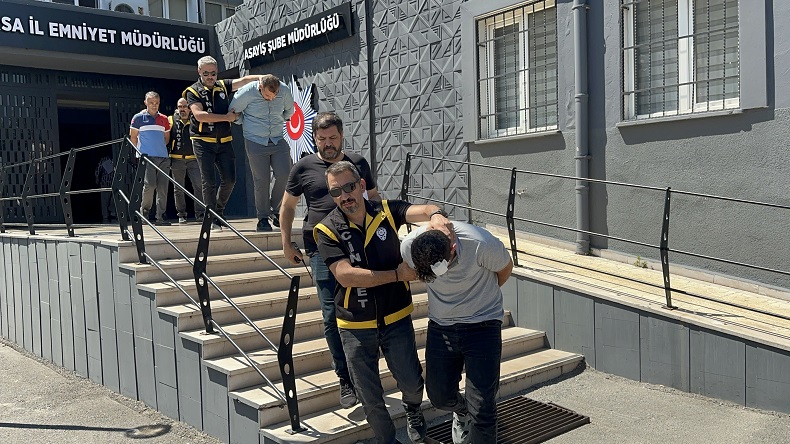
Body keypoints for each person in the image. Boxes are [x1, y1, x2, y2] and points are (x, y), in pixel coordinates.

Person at [314, 160, 451, 444]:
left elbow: (425, 209)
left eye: (349, 187)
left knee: (412, 381)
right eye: (336, 191)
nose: (344, 196)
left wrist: (437, 215)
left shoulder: (386, 211)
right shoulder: (326, 229)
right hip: (354, 323)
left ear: (362, 185)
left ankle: (413, 410)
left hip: (396, 315)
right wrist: (397, 275)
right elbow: (345, 275)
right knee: (369, 395)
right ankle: (387, 440)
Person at [279, 111, 380, 409]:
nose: (328, 144)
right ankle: (345, 378)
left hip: (358, 245)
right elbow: (287, 206)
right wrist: (286, 242)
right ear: (314, 138)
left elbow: (374, 199)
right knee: (330, 315)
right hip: (320, 249)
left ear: (342, 136)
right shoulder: (302, 168)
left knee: (366, 308)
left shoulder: (357, 164)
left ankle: (365, 370)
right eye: (322, 139)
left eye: (333, 137)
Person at [400, 221, 514, 444]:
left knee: (482, 407)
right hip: (441, 326)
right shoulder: (409, 246)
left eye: (439, 269)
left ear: (453, 248)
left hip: (483, 324)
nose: (435, 276)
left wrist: (480, 299)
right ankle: (462, 411)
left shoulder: (481, 243)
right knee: (439, 396)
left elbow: (505, 269)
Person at [183, 56, 261, 229]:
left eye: (213, 73)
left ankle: (218, 211)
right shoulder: (192, 91)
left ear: (217, 71)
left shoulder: (222, 85)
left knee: (230, 179)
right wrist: (226, 118)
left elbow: (243, 81)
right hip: (203, 141)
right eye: (206, 73)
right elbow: (199, 115)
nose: (210, 77)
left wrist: (262, 78)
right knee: (209, 181)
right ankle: (211, 218)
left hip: (224, 140)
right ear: (199, 72)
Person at [229, 74, 294, 231]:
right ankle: (263, 218)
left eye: (274, 96)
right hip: (255, 140)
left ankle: (276, 210)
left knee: (286, 174)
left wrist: (280, 119)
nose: (271, 99)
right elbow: (233, 112)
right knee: (261, 180)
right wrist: (244, 122)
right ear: (260, 87)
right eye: (267, 96)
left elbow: (289, 111)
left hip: (278, 138)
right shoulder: (247, 91)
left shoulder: (284, 90)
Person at [129, 91, 171, 226]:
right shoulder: (138, 118)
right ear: (145, 102)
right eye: (151, 102)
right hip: (146, 157)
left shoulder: (164, 119)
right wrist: (138, 153)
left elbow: (166, 138)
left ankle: (161, 216)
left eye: (157, 103)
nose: (154, 105)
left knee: (163, 187)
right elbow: (133, 137)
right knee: (150, 185)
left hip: (163, 157)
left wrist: (158, 148)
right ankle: (145, 212)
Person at [168, 98, 204, 224]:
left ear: (189, 108)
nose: (182, 109)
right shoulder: (171, 119)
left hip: (193, 159)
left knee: (199, 186)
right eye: (180, 107)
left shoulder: (195, 119)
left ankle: (200, 213)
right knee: (178, 188)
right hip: (176, 158)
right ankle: (181, 214)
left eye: (184, 106)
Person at [94, 154, 116, 223]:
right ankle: (105, 216)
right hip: (105, 182)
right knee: (105, 200)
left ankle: (112, 213)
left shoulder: (117, 159)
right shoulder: (105, 159)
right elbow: (98, 169)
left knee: (113, 199)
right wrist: (97, 178)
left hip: (113, 183)